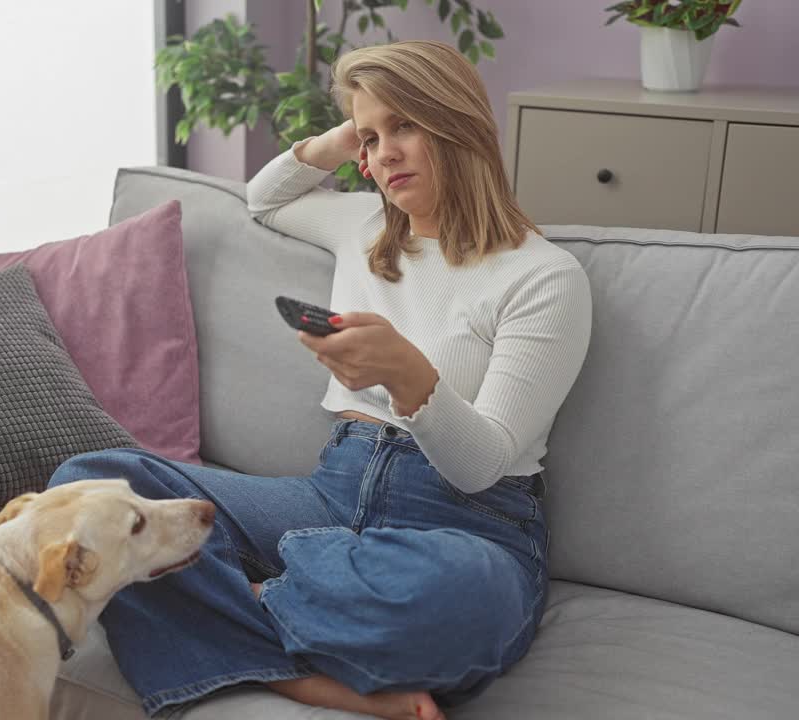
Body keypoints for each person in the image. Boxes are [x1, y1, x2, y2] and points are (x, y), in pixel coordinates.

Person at [48, 40, 592, 720]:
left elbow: (483, 466)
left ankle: (229, 602)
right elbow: (262, 197)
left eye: (405, 125)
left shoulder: (544, 278)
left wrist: (409, 377)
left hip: (465, 525)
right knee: (85, 491)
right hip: (331, 495)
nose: (384, 153)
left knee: (466, 601)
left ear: (457, 121)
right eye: (372, 137)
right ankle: (302, 663)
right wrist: (347, 131)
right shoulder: (363, 225)